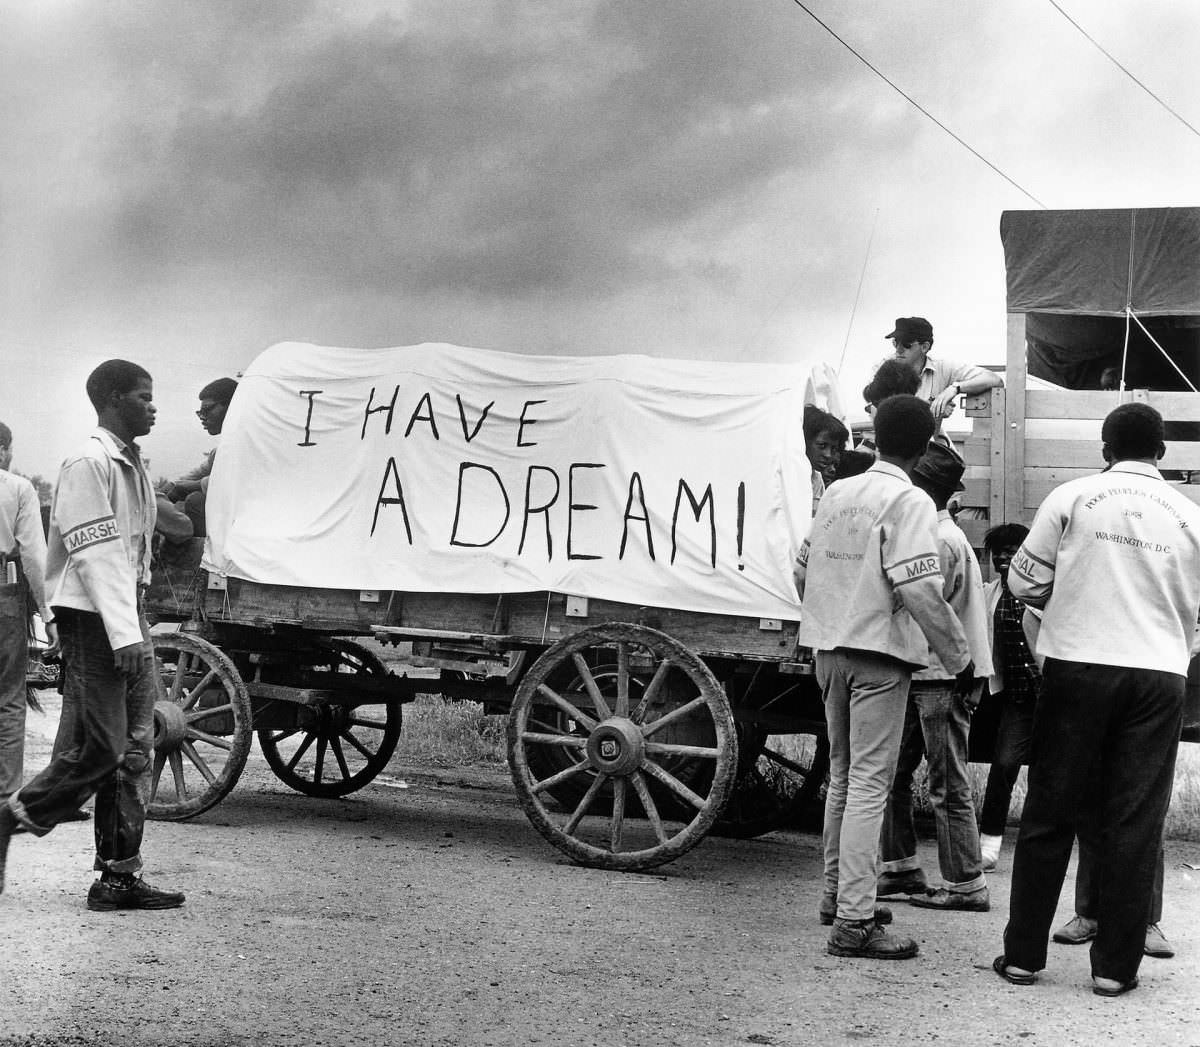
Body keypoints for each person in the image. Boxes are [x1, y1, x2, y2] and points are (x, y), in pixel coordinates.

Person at [995, 403, 1200, 996]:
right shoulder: (1191, 516)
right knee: (1136, 819)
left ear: (1105, 449)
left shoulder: (1072, 498)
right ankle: (1115, 969)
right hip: (1158, 675)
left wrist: (1074, 595)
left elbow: (1024, 582)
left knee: (1050, 811)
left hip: (1079, 665)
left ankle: (1023, 957)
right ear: (1161, 452)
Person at [0, 360, 185, 911]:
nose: (153, 406)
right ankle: (11, 816)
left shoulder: (131, 465)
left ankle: (118, 877)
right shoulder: (88, 463)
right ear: (111, 399)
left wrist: (133, 622)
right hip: (96, 618)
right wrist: (124, 633)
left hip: (126, 614)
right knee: (102, 747)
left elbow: (134, 550)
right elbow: (96, 554)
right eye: (143, 396)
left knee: (135, 749)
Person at [796, 394, 974, 960]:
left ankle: (837, 896)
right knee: (870, 785)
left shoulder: (838, 492)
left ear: (875, 436)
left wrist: (831, 612)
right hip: (879, 656)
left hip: (829, 650)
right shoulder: (910, 500)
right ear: (923, 449)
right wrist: (959, 656)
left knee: (843, 778)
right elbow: (919, 588)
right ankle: (854, 921)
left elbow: (801, 569)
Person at [879, 441, 993, 912]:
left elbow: (921, 607)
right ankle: (900, 866)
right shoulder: (944, 535)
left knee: (946, 784)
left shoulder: (938, 540)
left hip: (940, 677)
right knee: (895, 775)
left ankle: (966, 883)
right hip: (927, 673)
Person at [975, 523, 1039, 872]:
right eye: (997, 551)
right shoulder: (990, 593)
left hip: (1053, 696)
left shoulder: (1045, 591)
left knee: (1054, 772)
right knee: (1003, 765)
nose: (1002, 557)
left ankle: (1042, 847)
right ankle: (989, 846)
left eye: (1011, 551)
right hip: (1018, 698)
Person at [0, 422, 57, 804]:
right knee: (8, 698)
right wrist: (48, 615)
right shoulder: (18, 488)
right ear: (4, 450)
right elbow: (34, 557)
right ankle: (5, 796)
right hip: (4, 592)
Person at [885, 317, 1002, 422]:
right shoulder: (883, 369)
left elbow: (994, 379)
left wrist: (955, 388)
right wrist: (932, 409)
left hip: (926, 438)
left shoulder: (942, 368)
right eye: (896, 342)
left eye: (906, 344)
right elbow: (885, 416)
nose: (898, 350)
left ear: (924, 347)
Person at [161, 376, 237, 537]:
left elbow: (231, 481)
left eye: (207, 409)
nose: (202, 416)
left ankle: (206, 548)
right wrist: (172, 485)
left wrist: (188, 486)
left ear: (231, 406)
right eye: (200, 412)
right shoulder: (222, 449)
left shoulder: (249, 441)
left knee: (196, 501)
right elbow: (200, 472)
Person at [803, 405, 848, 513]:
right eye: (822, 446)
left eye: (833, 449)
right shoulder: (785, 476)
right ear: (805, 441)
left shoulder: (816, 479)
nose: (828, 455)